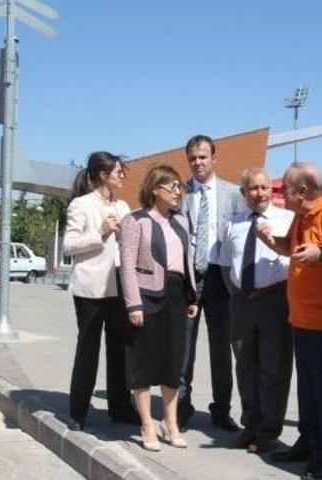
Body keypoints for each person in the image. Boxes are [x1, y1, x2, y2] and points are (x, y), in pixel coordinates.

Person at [256, 162, 322, 480]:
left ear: (301, 191)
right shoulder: (302, 216)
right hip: (303, 319)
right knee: (307, 388)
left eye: (283, 190)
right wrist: (267, 239)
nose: (280, 195)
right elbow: (290, 250)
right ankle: (307, 442)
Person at [118, 165, 199, 451]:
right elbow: (127, 266)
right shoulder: (135, 221)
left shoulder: (182, 221)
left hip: (177, 296)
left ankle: (171, 422)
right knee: (144, 362)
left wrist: (192, 298)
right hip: (147, 296)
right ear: (156, 189)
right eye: (172, 187)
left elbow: (186, 261)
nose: (179, 192)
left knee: (172, 361)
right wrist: (133, 303)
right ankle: (147, 424)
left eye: (180, 187)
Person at [218, 167, 294, 454]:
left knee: (273, 369)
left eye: (264, 187)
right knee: (246, 366)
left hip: (275, 301)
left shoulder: (287, 219)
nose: (260, 193)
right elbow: (226, 264)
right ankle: (249, 425)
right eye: (253, 188)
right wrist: (236, 293)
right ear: (243, 193)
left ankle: (268, 431)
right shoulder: (233, 223)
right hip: (241, 303)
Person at [62, 151, 137, 431]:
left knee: (120, 351)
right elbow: (69, 246)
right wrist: (101, 232)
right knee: (88, 349)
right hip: (90, 289)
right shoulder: (81, 205)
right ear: (103, 175)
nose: (121, 176)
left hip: (120, 288)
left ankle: (120, 408)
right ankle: (78, 411)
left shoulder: (124, 206)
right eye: (118, 172)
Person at [178, 134, 243, 431]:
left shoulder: (233, 193)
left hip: (220, 276)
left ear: (213, 158)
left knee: (221, 346)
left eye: (202, 157)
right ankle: (181, 406)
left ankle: (221, 410)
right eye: (192, 158)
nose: (197, 162)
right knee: (184, 345)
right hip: (189, 275)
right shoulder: (180, 192)